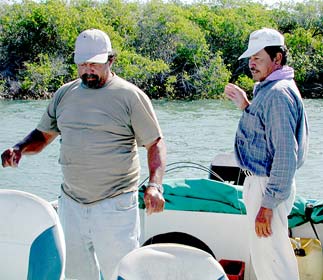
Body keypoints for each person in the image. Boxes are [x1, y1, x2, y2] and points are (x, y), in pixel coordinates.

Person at [1, 28, 167, 280]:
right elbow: (43, 135)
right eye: (83, 64)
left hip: (115, 205)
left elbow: (155, 143)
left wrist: (155, 185)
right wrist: (19, 148)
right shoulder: (64, 94)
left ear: (110, 60)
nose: (88, 70)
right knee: (77, 274)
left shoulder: (130, 96)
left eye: (95, 64)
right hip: (71, 204)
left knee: (122, 273)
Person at [224, 28, 309, 280]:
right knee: (268, 259)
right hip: (266, 185)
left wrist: (267, 205)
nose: (251, 63)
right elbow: (267, 134)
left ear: (277, 59)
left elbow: (285, 153)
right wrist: (246, 106)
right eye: (250, 58)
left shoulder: (277, 94)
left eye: (258, 58)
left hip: (266, 187)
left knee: (273, 263)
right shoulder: (271, 89)